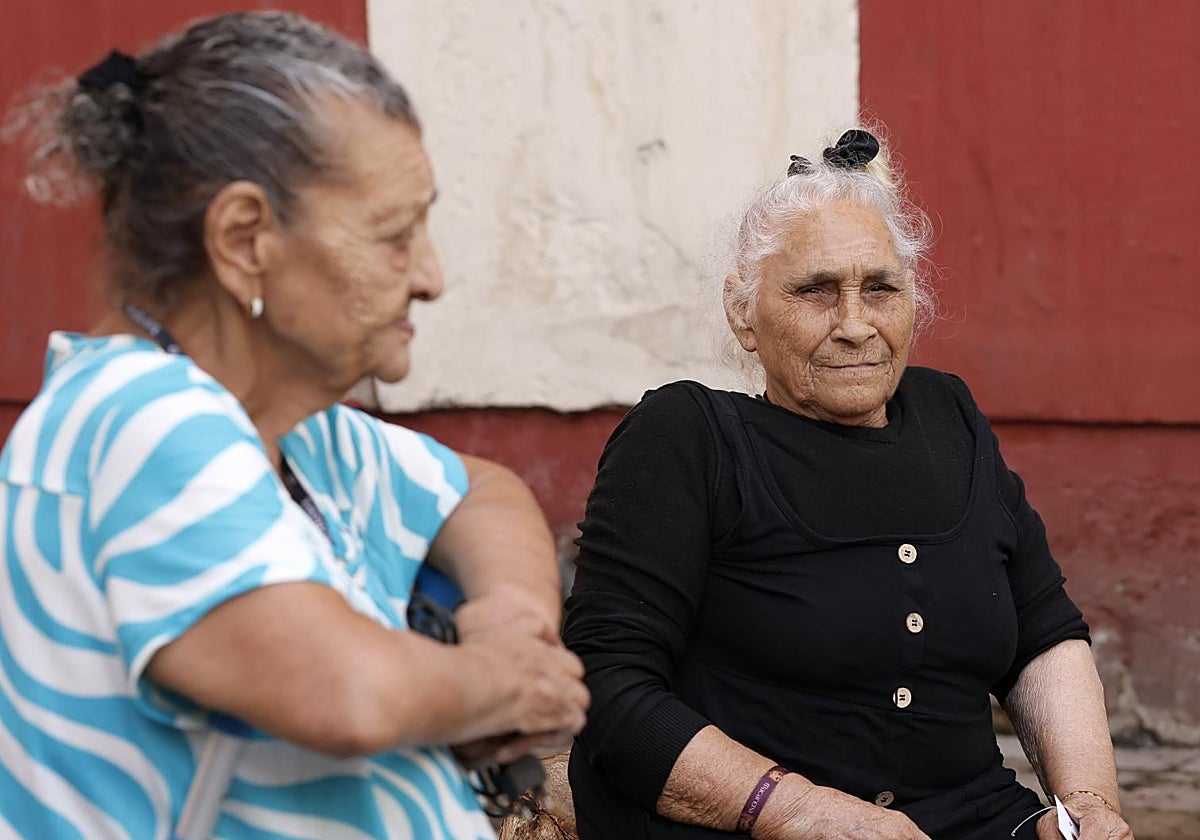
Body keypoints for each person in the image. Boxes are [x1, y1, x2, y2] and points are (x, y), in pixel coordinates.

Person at [0, 11, 588, 839]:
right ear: (245, 239)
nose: (432, 277)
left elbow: (479, 493)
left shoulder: (293, 431)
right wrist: (505, 685)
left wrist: (508, 617)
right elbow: (347, 691)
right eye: (393, 236)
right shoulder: (138, 417)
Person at [561, 129, 1134, 840]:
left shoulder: (948, 418)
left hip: (971, 821)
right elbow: (606, 686)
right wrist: (795, 809)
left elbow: (1043, 635)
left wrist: (1087, 807)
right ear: (744, 313)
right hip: (753, 826)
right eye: (815, 291)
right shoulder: (688, 436)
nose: (856, 325)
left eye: (881, 289)